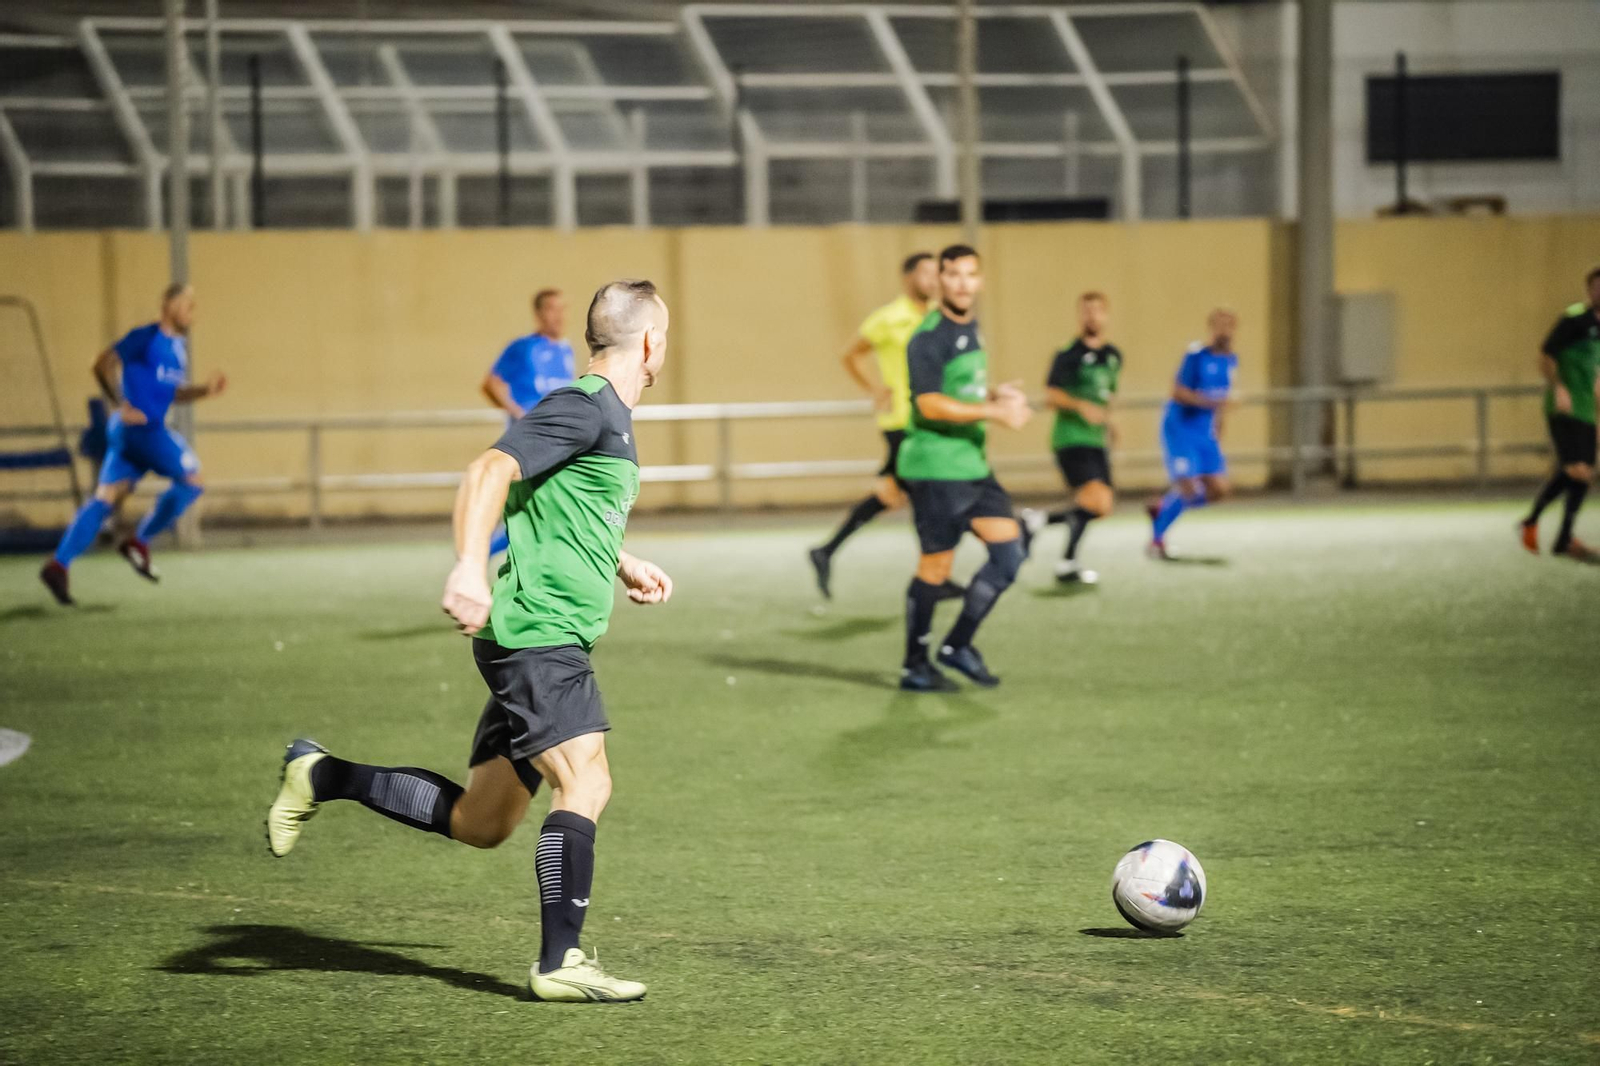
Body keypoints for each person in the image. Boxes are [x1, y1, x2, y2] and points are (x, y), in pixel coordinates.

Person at [266, 280, 673, 1004]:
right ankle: (560, 963)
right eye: (665, 335)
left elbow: (564, 504)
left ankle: (320, 775)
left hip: (542, 634)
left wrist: (622, 559)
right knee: (588, 781)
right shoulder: (580, 407)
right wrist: (466, 564)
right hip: (538, 636)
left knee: (480, 823)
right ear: (649, 342)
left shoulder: (604, 416)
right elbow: (490, 469)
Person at [896, 245, 1032, 692]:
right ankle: (915, 665)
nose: (960, 283)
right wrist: (994, 414)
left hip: (971, 467)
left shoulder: (970, 328)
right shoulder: (928, 336)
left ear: (980, 281)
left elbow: (957, 387)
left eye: (969, 274)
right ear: (939, 280)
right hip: (936, 468)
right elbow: (929, 402)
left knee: (1009, 555)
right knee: (935, 569)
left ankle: (957, 646)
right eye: (951, 274)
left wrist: (991, 394)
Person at [39, 283, 226, 606]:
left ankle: (58, 565)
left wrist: (203, 391)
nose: (192, 313)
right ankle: (138, 542)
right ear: (167, 304)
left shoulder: (177, 348)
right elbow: (101, 362)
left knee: (106, 498)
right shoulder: (146, 336)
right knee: (192, 481)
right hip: (143, 431)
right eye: (187, 304)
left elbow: (171, 393)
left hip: (130, 434)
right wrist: (120, 401)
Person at [809, 253, 959, 603]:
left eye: (935, 273)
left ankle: (827, 550)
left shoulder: (940, 317)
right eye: (925, 273)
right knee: (926, 493)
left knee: (892, 494)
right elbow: (850, 353)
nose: (933, 280)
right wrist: (873, 389)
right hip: (902, 422)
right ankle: (934, 576)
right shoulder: (888, 319)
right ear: (908, 277)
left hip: (930, 420)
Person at [1021, 292, 1123, 584]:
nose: (1091, 316)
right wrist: (1081, 406)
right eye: (1086, 311)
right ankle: (1054, 544)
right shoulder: (1068, 354)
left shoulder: (1113, 355)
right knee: (1096, 502)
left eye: (1097, 311)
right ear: (1080, 316)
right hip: (1071, 439)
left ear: (1105, 315)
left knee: (1096, 507)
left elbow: (1107, 396)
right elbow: (1051, 396)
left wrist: (1110, 423)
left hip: (1095, 440)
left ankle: (1058, 550)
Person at [482, 289, 576, 555]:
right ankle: (478, 554)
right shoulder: (523, 348)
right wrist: (517, 412)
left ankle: (480, 556)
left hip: (557, 442)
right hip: (529, 441)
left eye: (562, 308)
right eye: (551, 309)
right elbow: (491, 384)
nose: (558, 315)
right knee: (532, 511)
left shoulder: (566, 350)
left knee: (541, 512)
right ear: (539, 314)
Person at [1520, 268, 1600, 559]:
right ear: (1589, 291)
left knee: (1584, 475)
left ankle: (1564, 539)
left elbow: (1596, 377)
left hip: (1587, 409)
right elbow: (1545, 354)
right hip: (1564, 407)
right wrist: (1559, 387)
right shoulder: (1574, 319)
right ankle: (1531, 521)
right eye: (1595, 287)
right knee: (1576, 469)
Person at [1147, 309, 1239, 559]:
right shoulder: (1196, 356)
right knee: (1188, 487)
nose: (1224, 330)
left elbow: (1222, 399)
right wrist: (1211, 403)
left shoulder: (1231, 360)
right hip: (1180, 427)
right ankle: (1156, 541)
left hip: (1204, 432)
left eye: (1229, 325)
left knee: (1219, 489)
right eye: (1219, 325)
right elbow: (1177, 392)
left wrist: (1219, 427)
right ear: (1211, 328)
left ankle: (1163, 508)